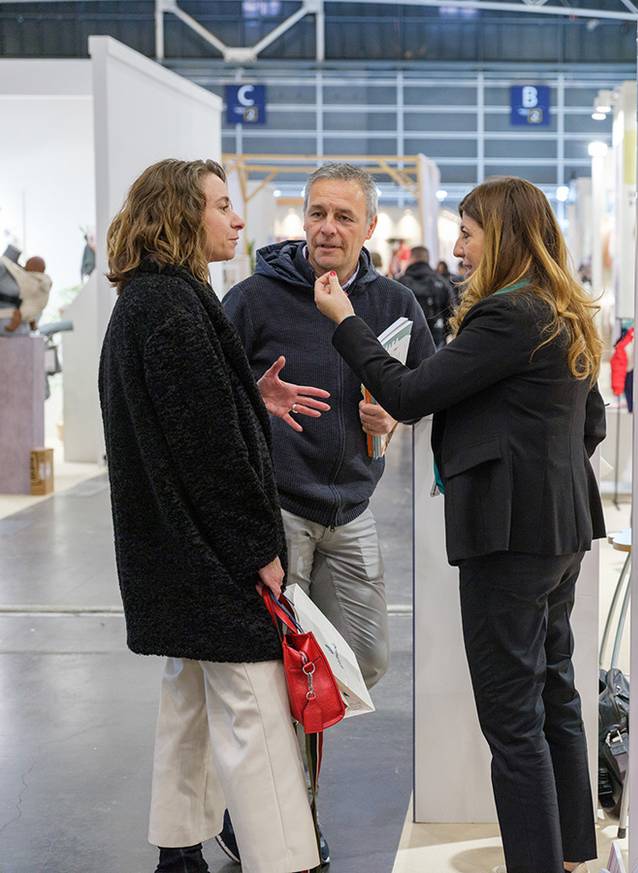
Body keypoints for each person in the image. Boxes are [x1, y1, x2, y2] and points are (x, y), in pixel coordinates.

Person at [315, 176, 606, 873]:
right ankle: (572, 854)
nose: (458, 245)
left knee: (512, 719)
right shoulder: (561, 309)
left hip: (511, 537)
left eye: (469, 232)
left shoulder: (507, 316)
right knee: (554, 691)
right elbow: (589, 424)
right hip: (560, 529)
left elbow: (410, 393)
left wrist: (344, 321)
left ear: (500, 235)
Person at [97, 158, 320, 873]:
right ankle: (285, 858)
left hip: (172, 549)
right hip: (209, 552)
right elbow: (207, 448)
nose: (238, 218)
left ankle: (177, 843)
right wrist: (260, 548)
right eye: (223, 204)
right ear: (182, 214)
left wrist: (247, 398)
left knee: (189, 695)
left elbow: (186, 421)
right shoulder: (172, 305)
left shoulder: (151, 300)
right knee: (254, 707)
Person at [222, 161, 435, 864]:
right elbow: (210, 398)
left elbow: (416, 392)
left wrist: (392, 418)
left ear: (370, 227)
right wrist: (254, 393)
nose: (327, 228)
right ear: (302, 218)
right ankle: (284, 817)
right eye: (318, 213)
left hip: (352, 509)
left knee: (362, 658)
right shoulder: (254, 297)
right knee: (287, 672)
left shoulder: (396, 302)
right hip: (277, 509)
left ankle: (262, 800)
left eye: (344, 216)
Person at [397, 245, 455, 345]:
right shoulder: (441, 282)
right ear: (427, 259)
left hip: (408, 343)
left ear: (411, 259)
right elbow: (451, 313)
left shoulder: (400, 284)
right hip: (437, 338)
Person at [0, 253, 52, 333]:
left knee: (22, 311)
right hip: (36, 305)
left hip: (28, 306)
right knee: (30, 312)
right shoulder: (44, 278)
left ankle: (16, 323)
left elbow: (17, 272)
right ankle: (31, 321)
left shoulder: (38, 278)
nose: (26, 267)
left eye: (30, 264)